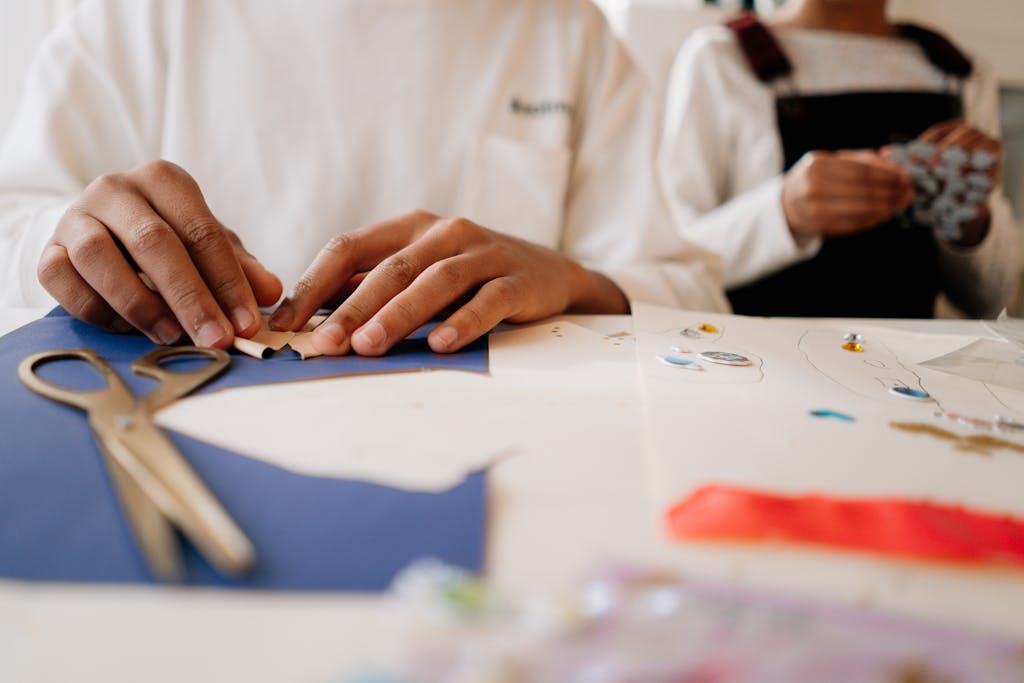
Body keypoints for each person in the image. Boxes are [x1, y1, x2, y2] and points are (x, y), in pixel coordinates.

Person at [0, 0, 727, 356]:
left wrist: (570, 279)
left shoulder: (568, 30)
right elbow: (16, 222)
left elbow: (696, 292)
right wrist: (72, 242)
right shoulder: (138, 15)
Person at [659, 0, 1020, 318]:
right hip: (763, 366)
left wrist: (971, 221)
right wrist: (784, 210)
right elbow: (674, 261)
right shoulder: (720, 57)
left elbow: (993, 302)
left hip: (911, 372)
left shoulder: (960, 73)